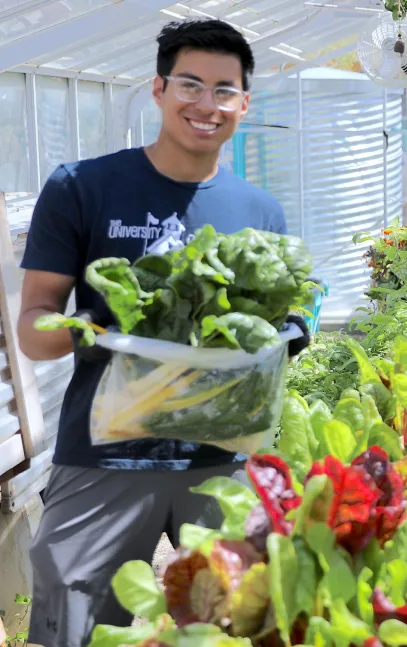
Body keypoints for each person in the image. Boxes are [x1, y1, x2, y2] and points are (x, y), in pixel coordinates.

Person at [18, 18, 309, 646]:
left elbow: (273, 323)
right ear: (158, 89)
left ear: (244, 103)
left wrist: (290, 331)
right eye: (190, 85)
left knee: (252, 619)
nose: (206, 105)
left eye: (224, 90)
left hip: (223, 454)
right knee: (71, 624)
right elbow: (34, 330)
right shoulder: (82, 187)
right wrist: (97, 329)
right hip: (105, 452)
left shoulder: (261, 211)